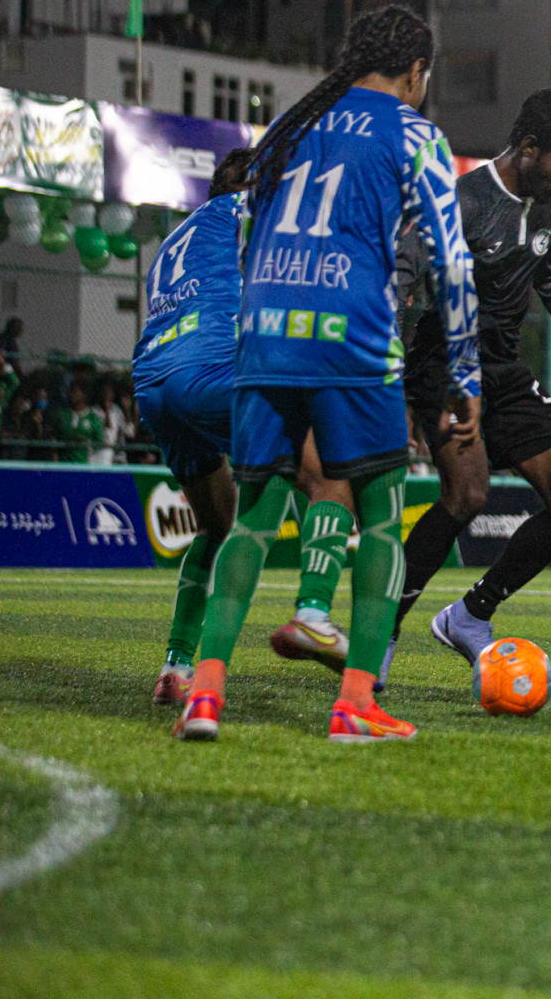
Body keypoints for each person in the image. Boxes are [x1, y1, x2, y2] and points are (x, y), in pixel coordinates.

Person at [171, 4, 481, 743]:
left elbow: (244, 237)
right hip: (353, 343)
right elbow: (452, 262)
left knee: (251, 522)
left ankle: (204, 696)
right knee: (380, 516)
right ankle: (354, 704)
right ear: (417, 72)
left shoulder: (287, 124)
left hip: (266, 340)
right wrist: (463, 373)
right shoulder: (413, 133)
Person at [374, 84, 551, 687]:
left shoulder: (549, 201)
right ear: (528, 148)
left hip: (503, 367)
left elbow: (546, 270)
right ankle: (381, 632)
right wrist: (390, 385)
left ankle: (470, 614)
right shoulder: (461, 202)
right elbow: (400, 283)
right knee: (467, 495)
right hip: (443, 364)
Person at [134, 148, 358, 706]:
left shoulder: (176, 238)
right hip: (214, 371)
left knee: (216, 524)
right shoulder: (250, 211)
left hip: (154, 384)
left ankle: (177, 665)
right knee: (333, 474)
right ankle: (313, 613)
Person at [52, 381, 104, 464]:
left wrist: (85, 442)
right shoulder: (61, 415)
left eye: (75, 392)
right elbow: (53, 436)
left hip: (84, 465)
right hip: (63, 464)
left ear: (84, 395)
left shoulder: (94, 419)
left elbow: (99, 443)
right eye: (70, 392)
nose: (71, 395)